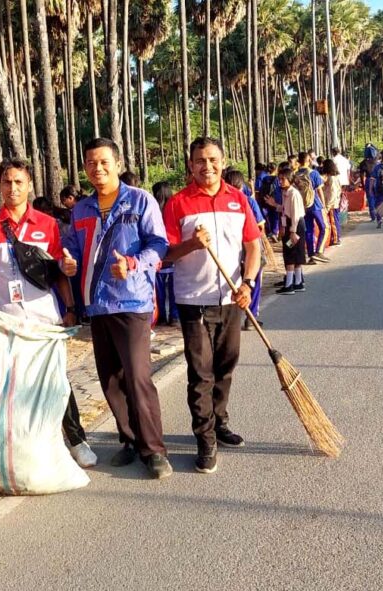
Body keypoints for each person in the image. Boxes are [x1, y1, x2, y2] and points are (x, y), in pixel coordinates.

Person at [0, 158, 98, 469]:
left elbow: (59, 270)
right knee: (3, 387)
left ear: (28, 185)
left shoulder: (48, 225)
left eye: (19, 182)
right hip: (2, 323)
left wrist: (70, 309)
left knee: (56, 381)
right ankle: (0, 450)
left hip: (41, 320)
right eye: (7, 182)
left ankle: (77, 441)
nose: (13, 188)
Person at [63, 137, 172, 479]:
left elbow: (159, 244)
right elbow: (72, 249)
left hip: (132, 301)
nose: (98, 168)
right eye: (91, 163)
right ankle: (129, 439)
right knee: (110, 379)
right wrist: (68, 263)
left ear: (118, 164)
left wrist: (135, 263)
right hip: (97, 305)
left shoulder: (140, 201)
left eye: (104, 162)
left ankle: (153, 450)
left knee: (138, 377)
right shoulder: (80, 210)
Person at [163, 138, 261, 474]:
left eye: (213, 159)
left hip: (232, 299)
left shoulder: (238, 200)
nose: (208, 166)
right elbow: (165, 255)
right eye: (200, 161)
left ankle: (219, 422)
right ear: (190, 165)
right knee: (200, 373)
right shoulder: (178, 203)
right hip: (193, 302)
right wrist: (192, 243)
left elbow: (253, 247)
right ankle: (205, 440)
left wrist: (247, 283)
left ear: (223, 161)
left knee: (226, 366)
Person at [223, 168, 266, 331]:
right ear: (242, 185)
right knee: (252, 282)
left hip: (231, 253)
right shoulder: (247, 200)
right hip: (249, 250)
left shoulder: (222, 202)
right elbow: (260, 225)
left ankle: (233, 319)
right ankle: (251, 317)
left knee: (233, 284)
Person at [274, 165, 309, 295]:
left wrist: (292, 231)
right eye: (279, 179)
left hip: (295, 226)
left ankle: (289, 284)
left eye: (283, 179)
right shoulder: (285, 193)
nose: (280, 181)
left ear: (290, 179)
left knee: (291, 252)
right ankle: (298, 282)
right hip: (291, 225)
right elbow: (284, 210)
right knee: (294, 252)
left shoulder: (293, 194)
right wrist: (276, 206)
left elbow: (294, 214)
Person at [152, 181, 179, 327]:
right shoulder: (174, 208)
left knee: (159, 290)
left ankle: (161, 316)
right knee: (174, 289)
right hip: (173, 254)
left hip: (158, 256)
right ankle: (174, 316)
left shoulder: (153, 210)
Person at [296, 152, 328, 264]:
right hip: (315, 204)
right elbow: (319, 190)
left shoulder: (295, 175)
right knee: (324, 227)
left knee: (309, 230)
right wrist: (324, 205)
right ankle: (319, 251)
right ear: (308, 160)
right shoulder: (313, 173)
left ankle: (311, 254)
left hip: (303, 206)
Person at [320, 158, 343, 246]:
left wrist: (328, 206)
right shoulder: (332, 177)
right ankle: (335, 238)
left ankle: (336, 239)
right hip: (332, 203)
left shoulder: (332, 179)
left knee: (333, 222)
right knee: (333, 221)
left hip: (332, 204)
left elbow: (332, 194)